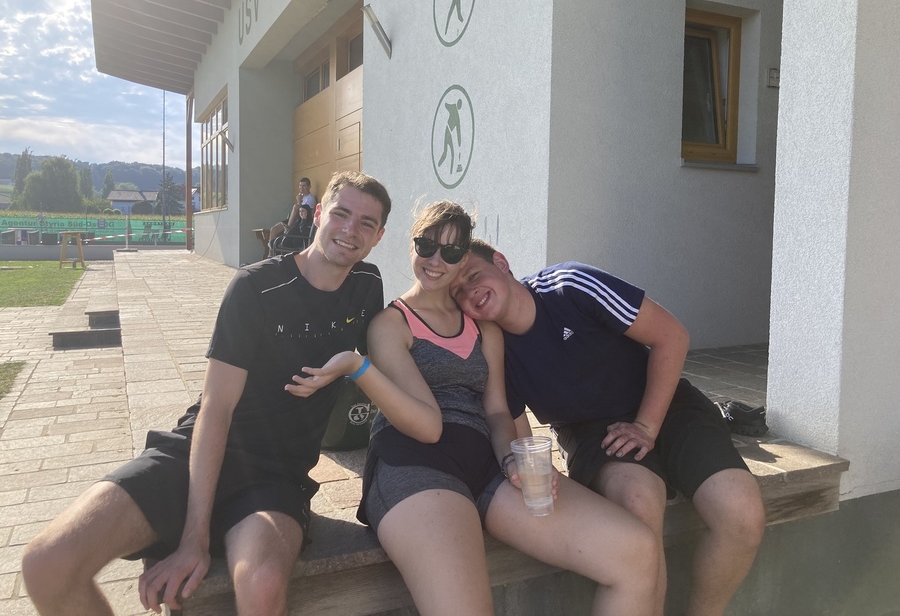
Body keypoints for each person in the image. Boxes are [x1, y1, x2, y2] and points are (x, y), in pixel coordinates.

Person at [21, 171, 392, 616]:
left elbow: (393, 358)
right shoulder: (256, 287)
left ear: (379, 237)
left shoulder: (367, 285)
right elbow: (217, 408)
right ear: (316, 216)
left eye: (366, 223)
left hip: (275, 475)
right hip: (194, 452)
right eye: (341, 213)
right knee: (47, 563)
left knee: (262, 584)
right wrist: (192, 540)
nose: (351, 230)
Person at [287, 202, 658, 615]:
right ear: (412, 244)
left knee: (636, 552)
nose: (436, 260)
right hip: (414, 464)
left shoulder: (483, 326)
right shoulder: (391, 325)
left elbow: (497, 411)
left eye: (450, 251)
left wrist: (513, 459)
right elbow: (427, 427)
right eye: (426, 245)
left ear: (464, 257)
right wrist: (358, 367)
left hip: (485, 461)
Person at [451, 240, 767, 616]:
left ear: (501, 263)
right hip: (588, 429)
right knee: (638, 503)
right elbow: (509, 421)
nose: (469, 292)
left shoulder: (569, 285)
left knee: (742, 514)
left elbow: (672, 336)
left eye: (473, 276)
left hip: (667, 403)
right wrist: (525, 468)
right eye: (458, 292)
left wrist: (646, 425)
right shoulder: (492, 347)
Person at [268, 177, 317, 254]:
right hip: (293, 220)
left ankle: (288, 229)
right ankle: (270, 254)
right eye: (300, 186)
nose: (301, 188)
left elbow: (305, 214)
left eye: (304, 186)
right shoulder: (301, 196)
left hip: (299, 222)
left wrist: (299, 202)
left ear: (309, 187)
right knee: (273, 229)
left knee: (296, 207)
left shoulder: (310, 198)